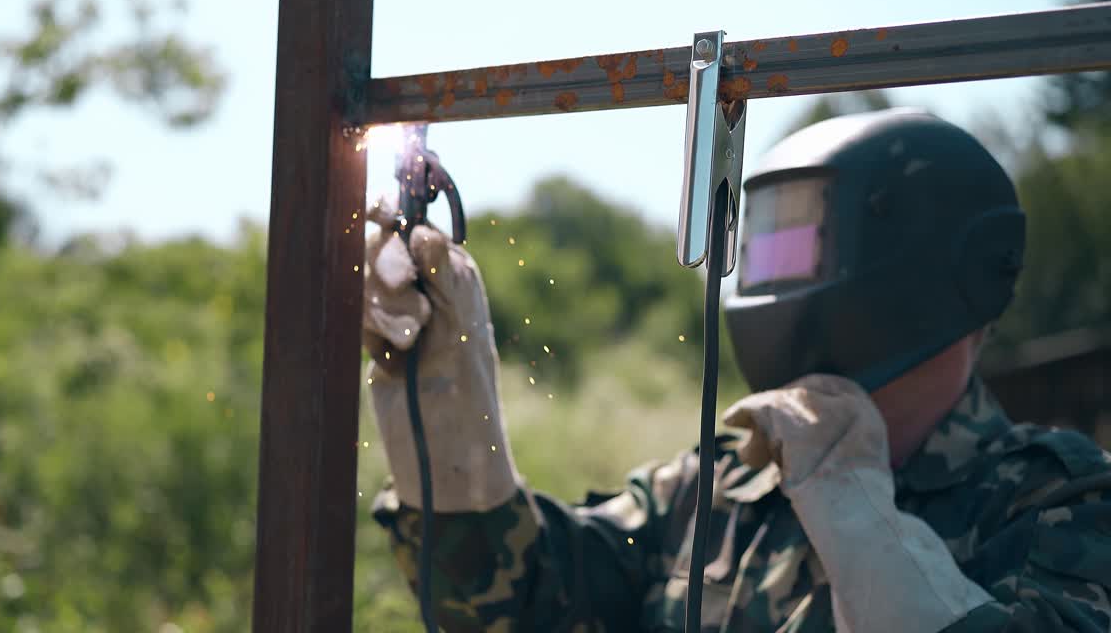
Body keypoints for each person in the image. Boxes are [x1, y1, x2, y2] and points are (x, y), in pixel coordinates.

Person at [361, 109, 1111, 632]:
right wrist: (450, 423)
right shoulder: (713, 490)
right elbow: (518, 605)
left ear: (945, 271)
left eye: (803, 248)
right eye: (766, 254)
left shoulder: (1056, 505)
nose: (773, 285)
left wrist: (861, 521)